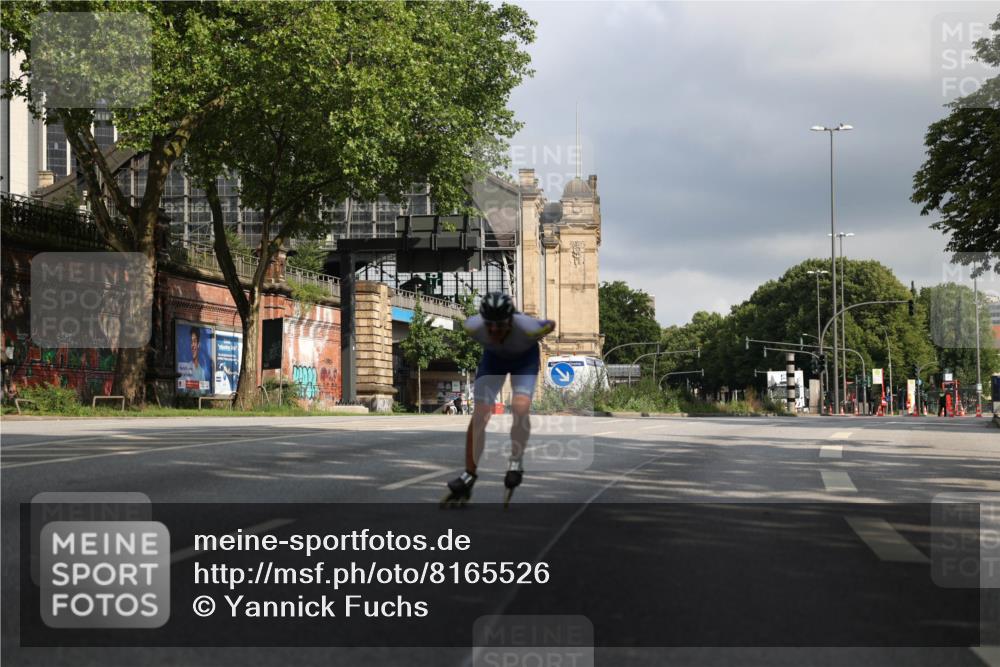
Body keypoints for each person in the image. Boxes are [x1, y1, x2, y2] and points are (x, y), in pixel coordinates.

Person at [441, 292, 555, 507]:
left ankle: (515, 462)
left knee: (520, 407)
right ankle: (469, 475)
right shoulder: (473, 326)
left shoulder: (529, 328)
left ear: (511, 320)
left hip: (525, 360)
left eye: (500, 325)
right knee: (480, 415)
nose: (494, 330)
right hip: (493, 361)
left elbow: (550, 324)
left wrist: (548, 327)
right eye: (489, 325)